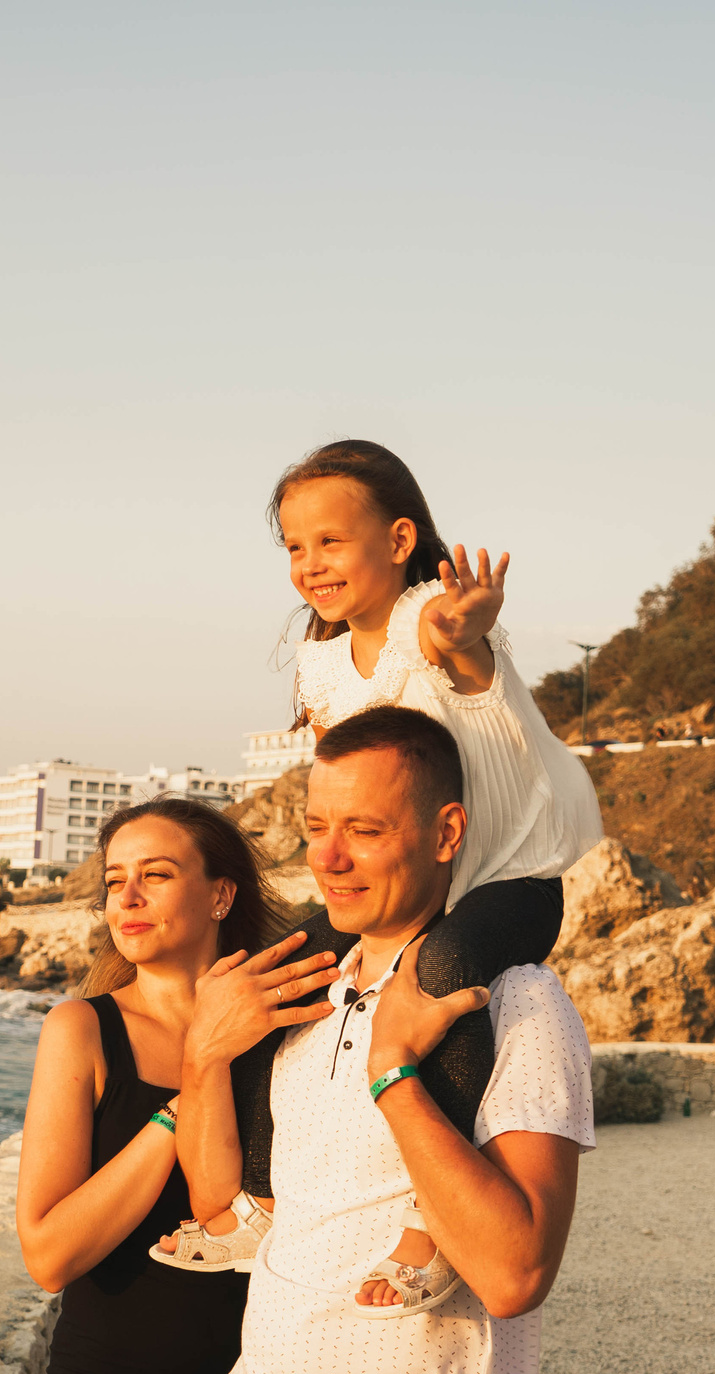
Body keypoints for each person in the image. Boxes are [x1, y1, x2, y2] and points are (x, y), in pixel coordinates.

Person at [149, 705, 595, 1374]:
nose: (332, 859)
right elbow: (221, 1197)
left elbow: (515, 1270)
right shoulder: (302, 985)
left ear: (445, 834)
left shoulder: (518, 1006)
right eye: (316, 828)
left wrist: (396, 1072)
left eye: (366, 830)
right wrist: (205, 1054)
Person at [154, 440, 599, 1318]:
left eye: (329, 541)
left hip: (505, 879)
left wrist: (462, 638)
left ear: (400, 539)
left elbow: (461, 662)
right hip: (406, 891)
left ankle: (428, 1230)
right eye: (292, 547)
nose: (308, 564)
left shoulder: (434, 613)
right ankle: (257, 1201)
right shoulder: (322, 665)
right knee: (278, 973)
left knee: (440, 981)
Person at [0, 797, 343, 1374]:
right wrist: (185, 1089)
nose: (129, 898)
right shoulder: (83, 1029)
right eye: (116, 880)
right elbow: (48, 1249)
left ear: (222, 892)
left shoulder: (292, 1027)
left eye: (156, 874)